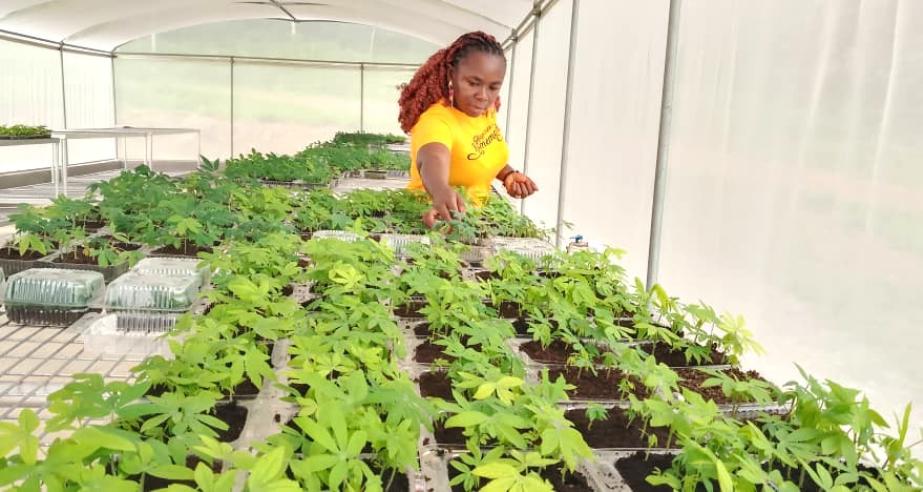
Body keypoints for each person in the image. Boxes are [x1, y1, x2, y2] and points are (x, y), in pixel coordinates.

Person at [398, 31, 537, 228]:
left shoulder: (485, 112)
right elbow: (432, 158)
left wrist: (507, 174)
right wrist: (440, 191)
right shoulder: (436, 120)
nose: (483, 95)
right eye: (473, 83)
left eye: (493, 87)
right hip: (436, 223)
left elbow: (478, 152)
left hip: (472, 223)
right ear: (451, 74)